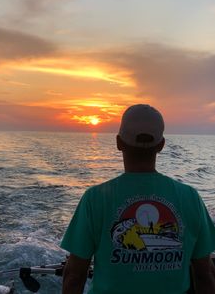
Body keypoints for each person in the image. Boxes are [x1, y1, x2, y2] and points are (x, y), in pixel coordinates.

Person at [60, 104, 215, 294]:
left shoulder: (95, 198)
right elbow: (205, 274)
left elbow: (75, 276)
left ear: (119, 143)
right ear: (161, 145)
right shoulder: (191, 197)